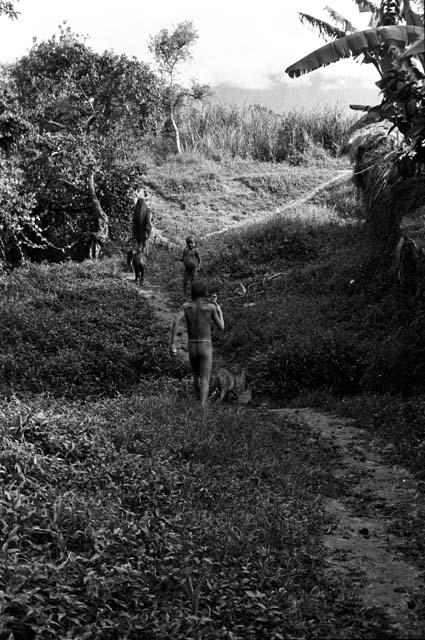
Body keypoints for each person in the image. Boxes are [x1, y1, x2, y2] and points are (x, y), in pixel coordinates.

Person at [170, 281, 224, 408]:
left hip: (192, 346)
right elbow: (221, 327)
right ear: (205, 293)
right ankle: (202, 407)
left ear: (192, 293)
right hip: (205, 345)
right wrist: (219, 310)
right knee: (205, 379)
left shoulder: (186, 306)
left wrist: (173, 344)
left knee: (196, 376)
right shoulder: (210, 308)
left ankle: (198, 400)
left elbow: (175, 321)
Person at [132, 188, 153, 254]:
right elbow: (149, 224)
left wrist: (134, 233)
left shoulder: (135, 212)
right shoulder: (147, 211)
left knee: (139, 247)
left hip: (137, 234)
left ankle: (136, 259)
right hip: (145, 234)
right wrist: (149, 234)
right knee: (145, 248)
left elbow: (133, 224)